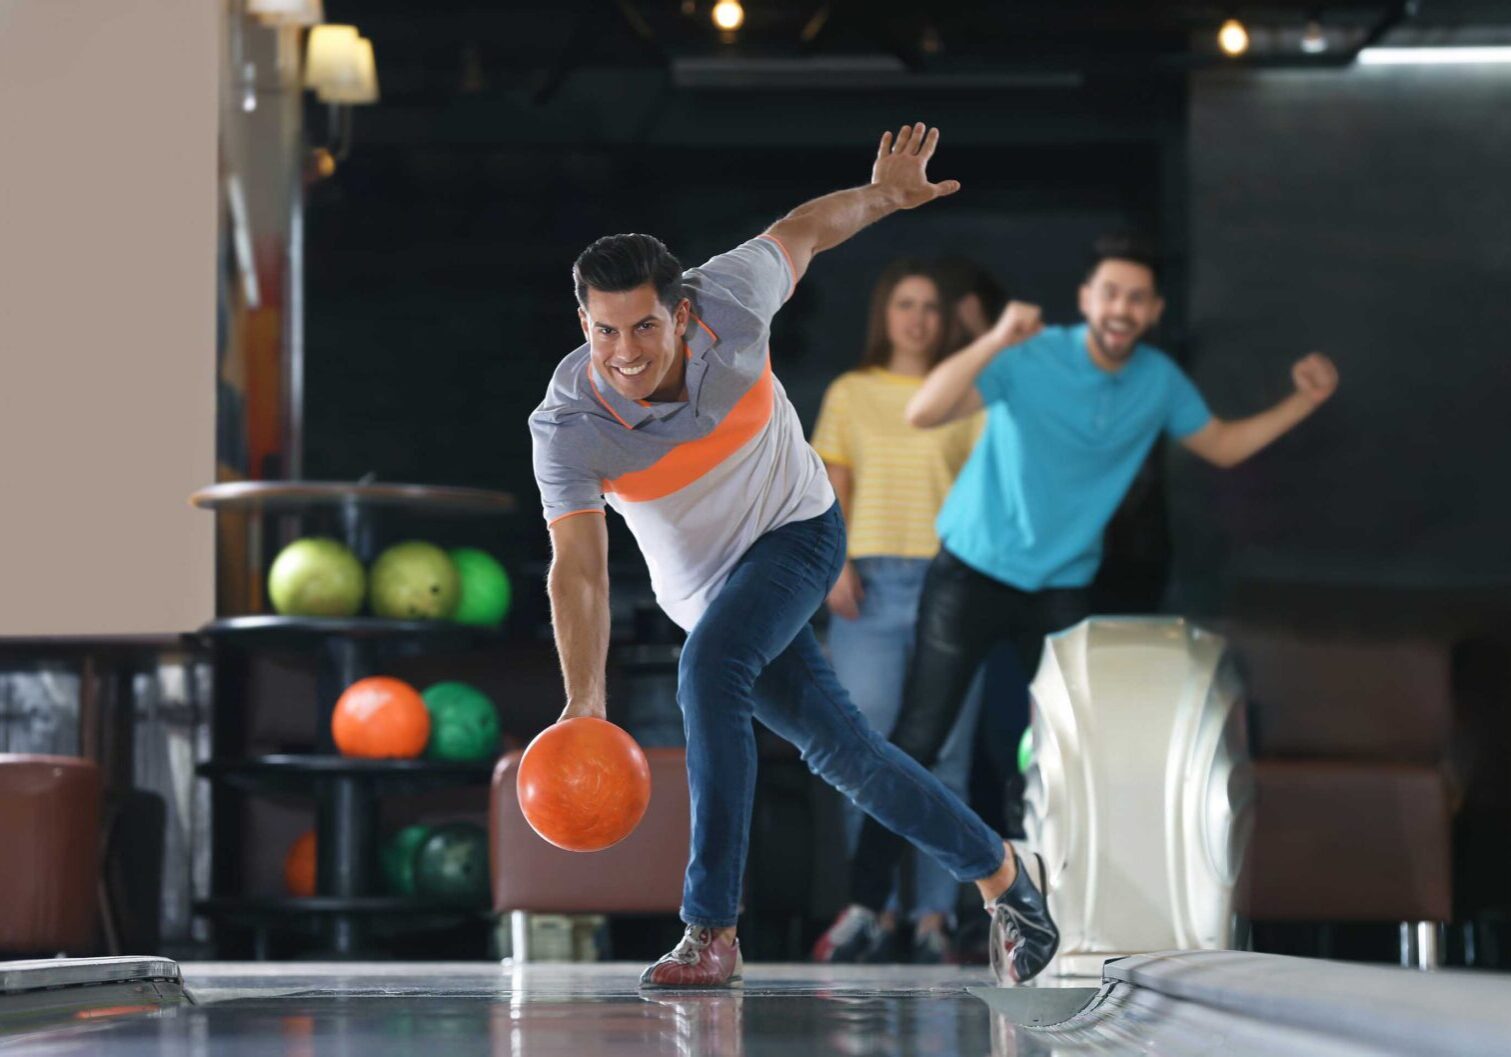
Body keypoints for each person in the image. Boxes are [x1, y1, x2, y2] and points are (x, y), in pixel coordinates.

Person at [529, 124, 1057, 989]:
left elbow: (807, 227)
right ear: (583, 321)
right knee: (842, 749)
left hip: (797, 531)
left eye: (646, 326)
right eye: (604, 330)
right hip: (705, 590)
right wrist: (582, 700)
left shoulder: (732, 297)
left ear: (685, 312)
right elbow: (577, 567)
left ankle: (711, 929)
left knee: (708, 675)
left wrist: (884, 194)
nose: (625, 352)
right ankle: (1004, 874)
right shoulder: (568, 428)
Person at [820, 232, 1341, 946]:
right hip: (970, 568)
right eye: (1109, 292)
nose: (1120, 307)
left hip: (1059, 583)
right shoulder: (1032, 354)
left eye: (1136, 296)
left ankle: (1049, 916)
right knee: (919, 735)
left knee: (1062, 745)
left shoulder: (1156, 380)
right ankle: (862, 903)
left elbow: (1219, 444)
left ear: (1151, 309)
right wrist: (999, 335)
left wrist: (1301, 402)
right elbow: (925, 410)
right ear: (1088, 301)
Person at [809, 260, 985, 963]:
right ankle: (874, 908)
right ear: (884, 313)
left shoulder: (967, 397)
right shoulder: (851, 392)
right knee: (866, 752)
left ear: (944, 320)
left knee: (946, 759)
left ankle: (935, 916)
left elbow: (987, 493)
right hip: (870, 587)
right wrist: (834, 565)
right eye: (904, 303)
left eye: (929, 307)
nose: (916, 318)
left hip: (952, 585)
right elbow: (832, 485)